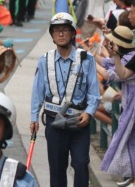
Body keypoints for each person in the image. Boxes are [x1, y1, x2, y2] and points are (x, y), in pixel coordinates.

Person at [30, 13, 101, 187]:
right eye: (56, 31)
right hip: (54, 122)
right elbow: (37, 91)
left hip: (79, 121)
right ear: (52, 35)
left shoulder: (86, 59)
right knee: (57, 168)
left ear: (71, 33)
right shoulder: (44, 60)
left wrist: (89, 113)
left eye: (64, 30)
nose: (60, 34)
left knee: (81, 163)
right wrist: (34, 117)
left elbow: (94, 92)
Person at [99, 26, 135, 185]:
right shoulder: (128, 55)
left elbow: (120, 75)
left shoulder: (130, 56)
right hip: (129, 102)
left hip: (132, 104)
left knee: (129, 139)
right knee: (129, 139)